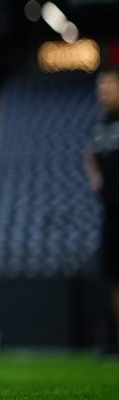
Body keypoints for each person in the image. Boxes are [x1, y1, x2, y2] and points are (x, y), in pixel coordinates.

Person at [83, 66, 119, 352]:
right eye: (101, 87)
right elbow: (90, 153)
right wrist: (95, 176)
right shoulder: (100, 124)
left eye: (109, 86)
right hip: (111, 212)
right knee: (114, 275)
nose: (103, 91)